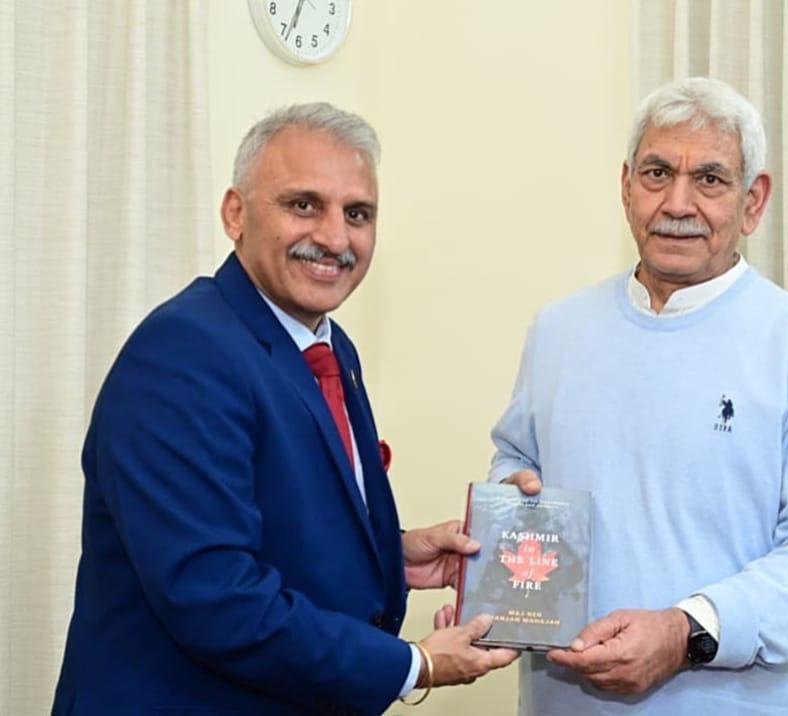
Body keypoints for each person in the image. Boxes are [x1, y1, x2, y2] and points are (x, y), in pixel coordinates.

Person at [52, 103, 515, 715]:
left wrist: (391, 553)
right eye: (303, 205)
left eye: (357, 214)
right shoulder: (182, 352)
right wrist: (415, 664)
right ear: (235, 214)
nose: (333, 237)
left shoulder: (326, 343)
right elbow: (215, 595)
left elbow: (270, 513)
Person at [490, 77, 788, 714]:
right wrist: (511, 512)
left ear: (753, 201)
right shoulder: (557, 331)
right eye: (657, 172)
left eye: (710, 180)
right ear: (625, 186)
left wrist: (684, 632)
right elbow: (516, 465)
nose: (677, 201)